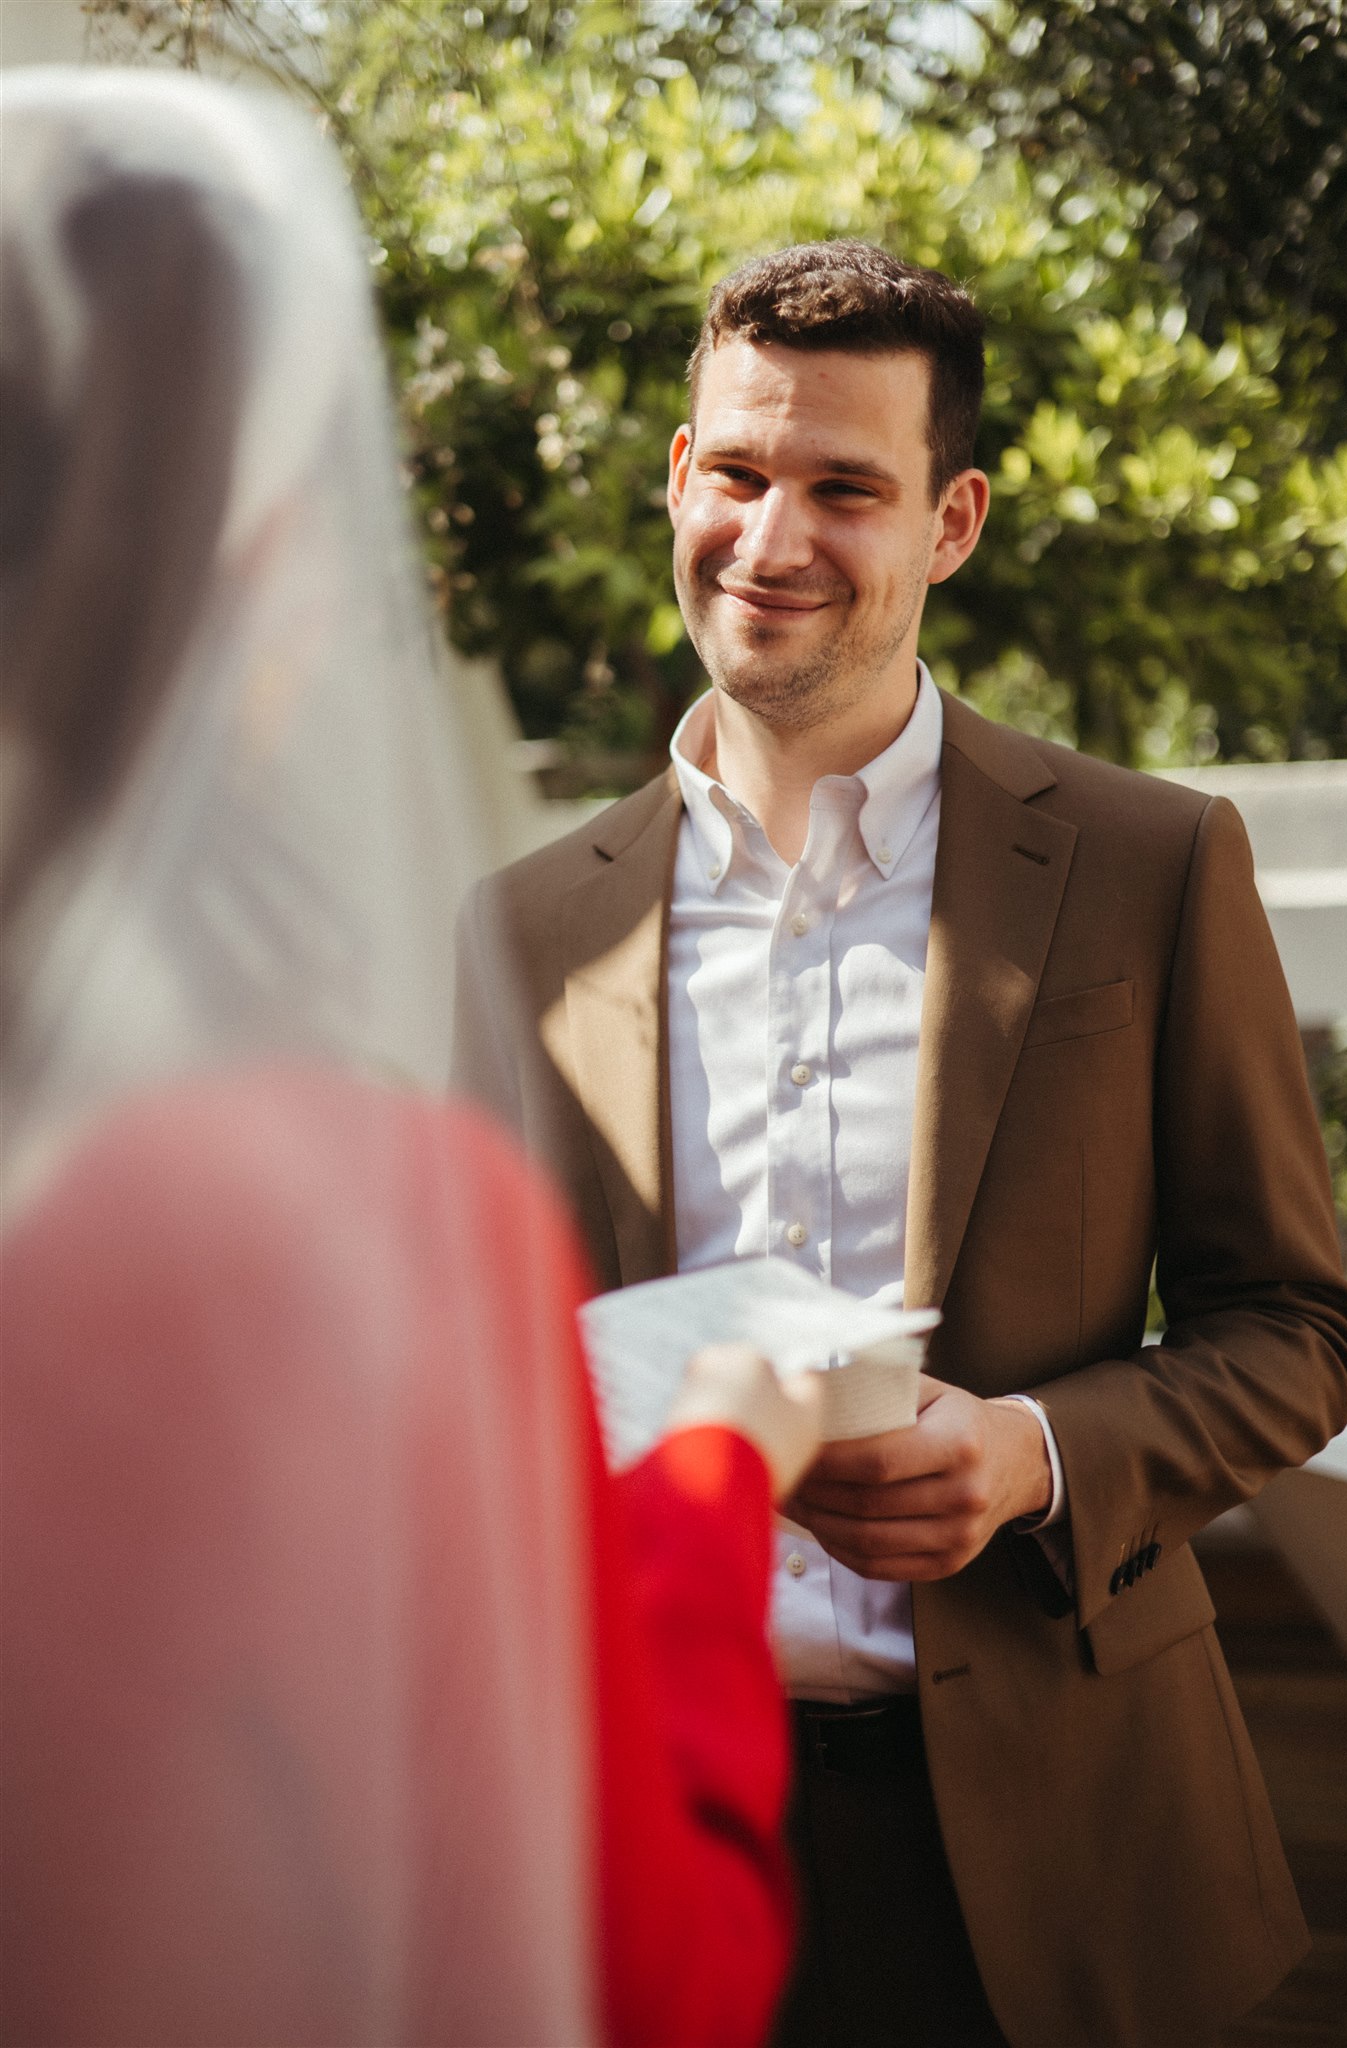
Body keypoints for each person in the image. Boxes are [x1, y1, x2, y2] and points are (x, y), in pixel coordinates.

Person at [457, 239, 1347, 2048]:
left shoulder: (1146, 863)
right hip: (644, 1830)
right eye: (736, 473)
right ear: (677, 480)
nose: (771, 538)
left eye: (841, 489)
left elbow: (1304, 1331)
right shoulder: (521, 925)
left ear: (947, 522)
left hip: (1063, 1837)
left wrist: (1032, 1455)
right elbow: (479, 1372)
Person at [0, 70, 825, 2048]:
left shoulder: (1147, 865)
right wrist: (714, 1470)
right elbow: (628, 1973)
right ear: (265, 568)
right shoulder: (324, 1209)